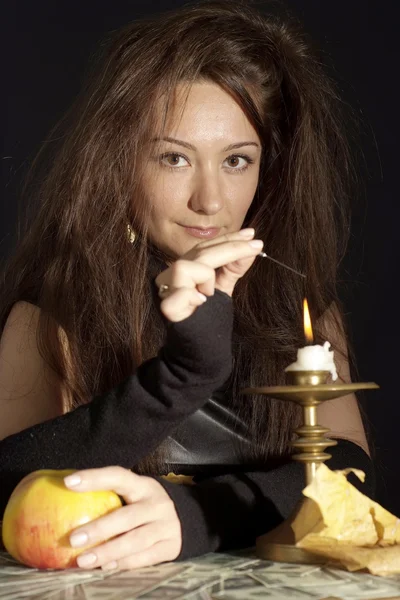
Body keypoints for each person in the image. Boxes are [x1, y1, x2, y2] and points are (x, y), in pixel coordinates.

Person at [0, 0, 373, 571]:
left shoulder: (302, 310)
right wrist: (182, 377)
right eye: (174, 158)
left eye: (237, 161)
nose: (210, 201)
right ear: (121, 162)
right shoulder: (53, 314)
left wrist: (199, 518)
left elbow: (353, 479)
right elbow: (6, 488)